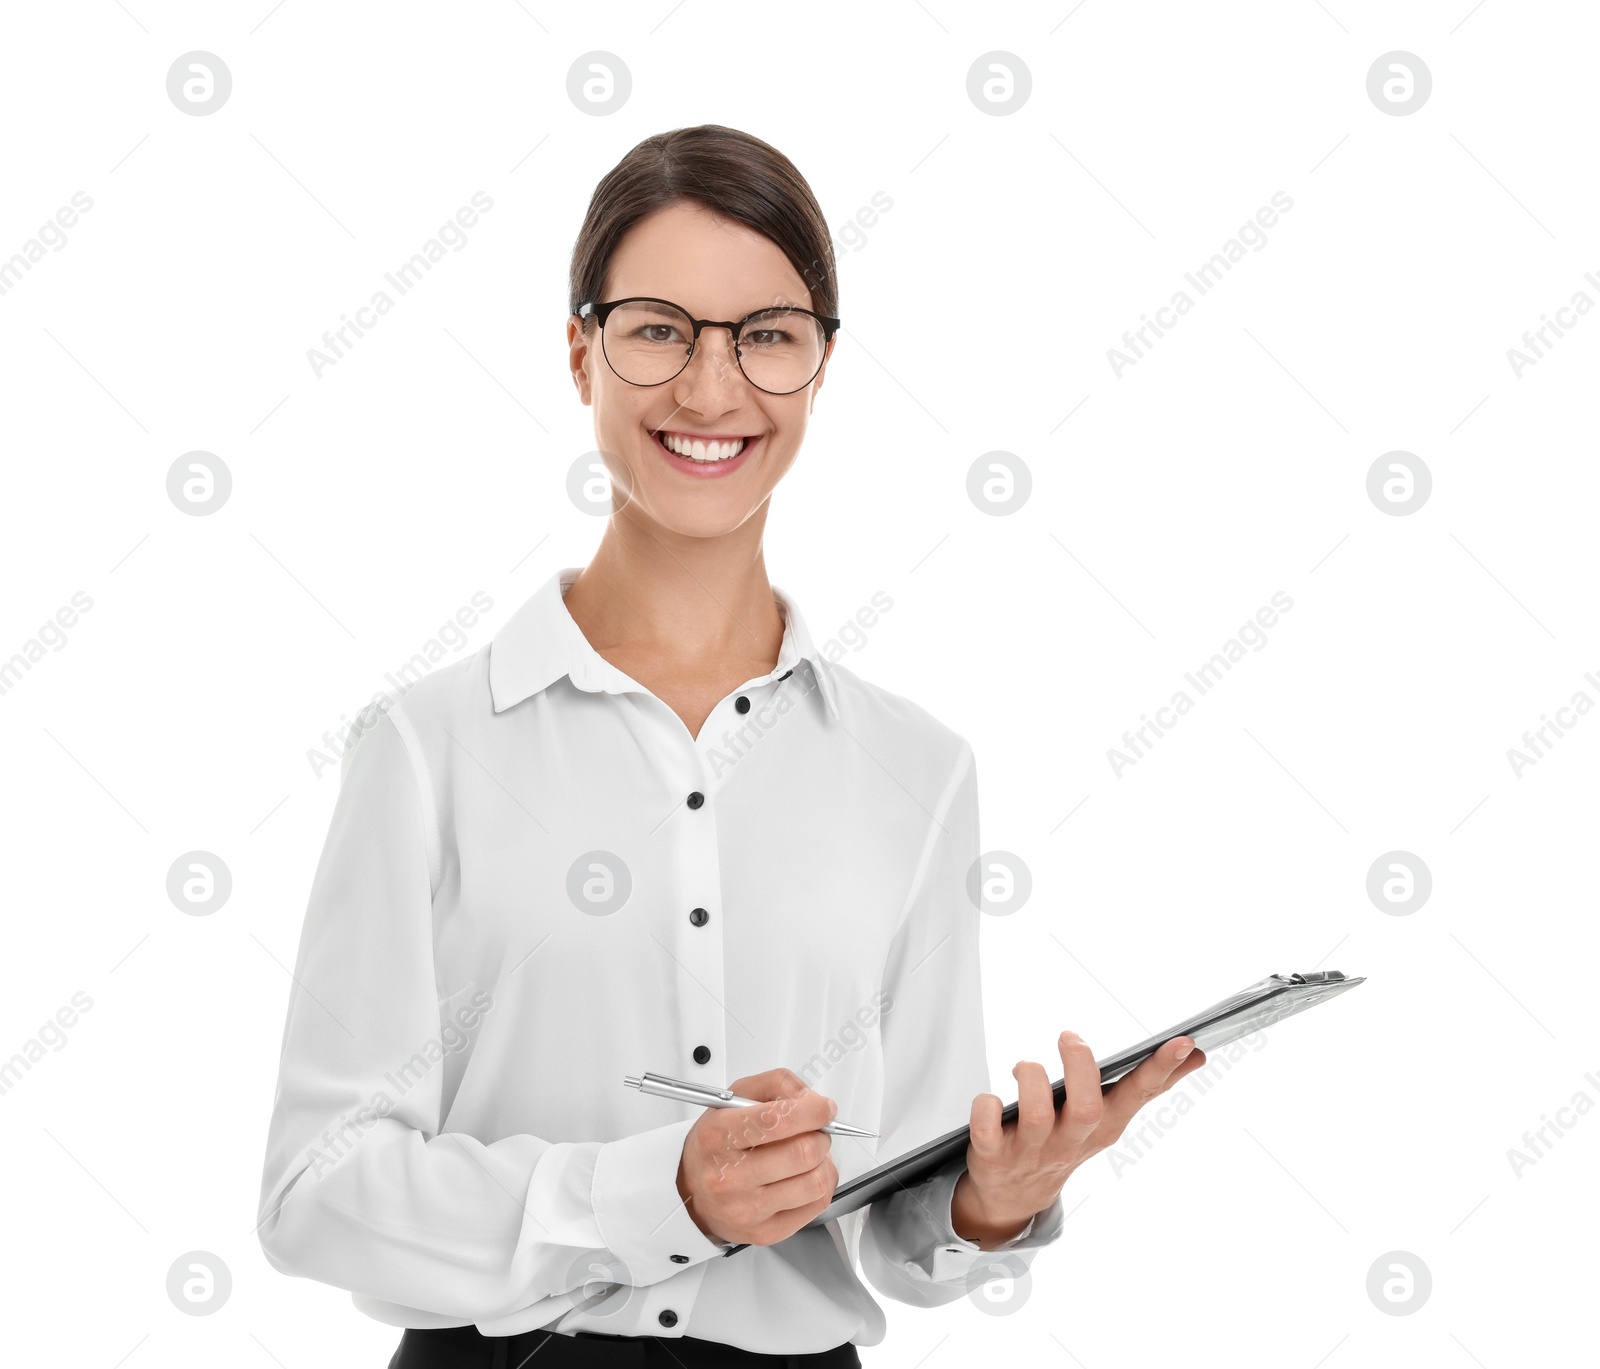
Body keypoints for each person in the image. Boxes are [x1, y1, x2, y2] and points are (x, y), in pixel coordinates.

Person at [255, 123, 1208, 1369]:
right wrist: (656, 1197)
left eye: (766, 336)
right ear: (579, 353)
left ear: (819, 368)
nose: (713, 390)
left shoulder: (914, 771)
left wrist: (995, 1199)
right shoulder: (429, 747)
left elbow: (896, 1220)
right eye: (659, 329)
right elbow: (314, 1196)